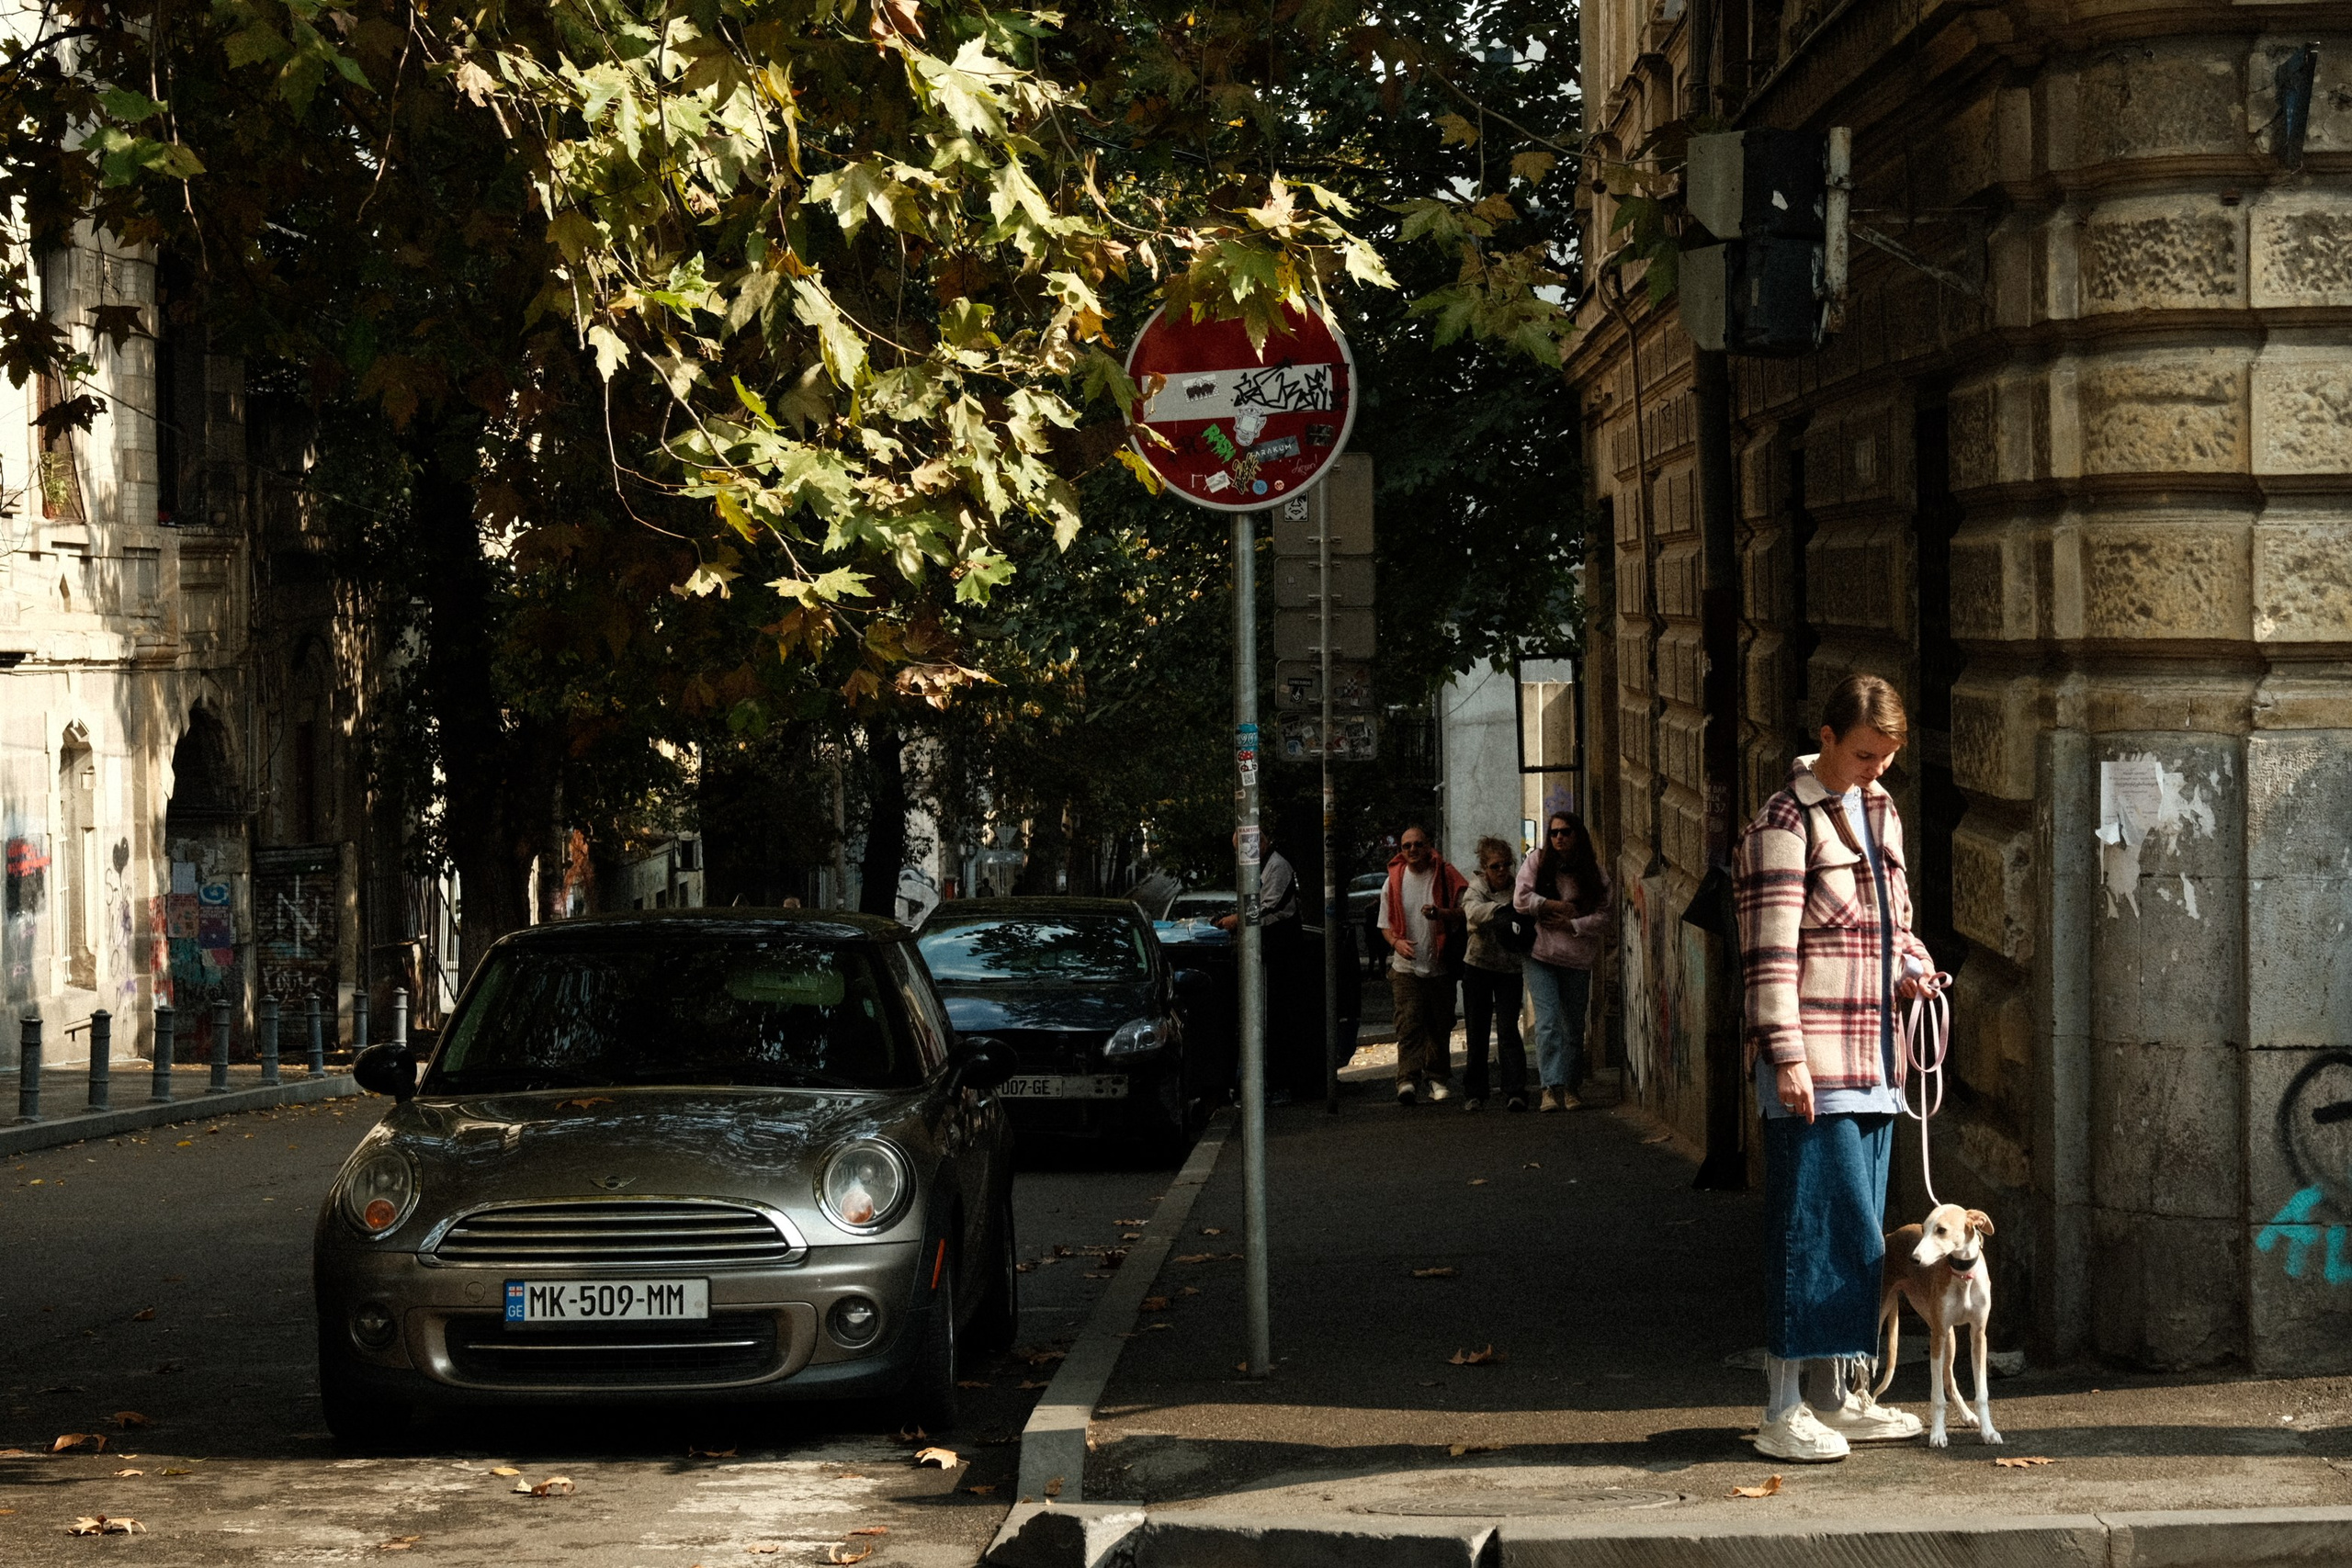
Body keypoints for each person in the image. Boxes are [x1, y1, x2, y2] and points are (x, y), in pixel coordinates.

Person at [1733, 672, 1940, 1462]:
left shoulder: (1880, 810)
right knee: (1809, 1231)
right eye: (1864, 753)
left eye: (1887, 757)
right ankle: (1782, 1408)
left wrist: (1915, 967)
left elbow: (1897, 924)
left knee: (1856, 1235)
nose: (1876, 770)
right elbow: (1767, 954)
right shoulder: (1782, 823)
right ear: (1825, 737)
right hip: (1814, 1063)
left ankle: (1837, 1396)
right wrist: (1785, 1056)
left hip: (1877, 1056)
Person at [1513, 811, 1610, 1111]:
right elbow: (1520, 899)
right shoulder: (1538, 863)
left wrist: (1574, 925)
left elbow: (1606, 917)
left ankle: (1571, 1087)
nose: (1559, 838)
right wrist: (1554, 905)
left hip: (1577, 958)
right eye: (1554, 832)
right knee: (1548, 1021)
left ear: (1577, 834)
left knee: (1572, 1025)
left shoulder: (1594, 872)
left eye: (1566, 832)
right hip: (1540, 954)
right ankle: (1549, 1088)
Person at [1216, 829, 1313, 1100]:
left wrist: (1238, 920)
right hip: (1269, 951)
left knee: (1273, 1021)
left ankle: (1275, 1084)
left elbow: (1270, 907)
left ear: (1261, 842)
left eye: (1243, 848)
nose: (1242, 855)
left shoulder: (1277, 866)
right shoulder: (1262, 867)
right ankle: (1267, 1082)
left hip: (1279, 952)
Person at [1378, 823, 1465, 1106]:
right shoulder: (1392, 881)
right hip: (1405, 968)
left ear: (1429, 846)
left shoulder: (1446, 875)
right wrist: (1396, 944)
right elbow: (1385, 926)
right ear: (1400, 851)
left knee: (1440, 1023)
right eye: (1406, 846)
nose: (1412, 850)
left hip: (1440, 964)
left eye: (1418, 844)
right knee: (1408, 1023)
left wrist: (1440, 913)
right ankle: (1406, 1081)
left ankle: (1437, 1078)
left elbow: (1466, 912)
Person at [1456, 836, 1528, 1112]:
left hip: (1509, 968)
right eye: (1495, 866)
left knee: (1509, 1029)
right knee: (1478, 1030)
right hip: (1478, 966)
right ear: (1484, 868)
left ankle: (1515, 1091)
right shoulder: (1476, 888)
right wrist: (1503, 913)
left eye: (1506, 865)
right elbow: (1472, 914)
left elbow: (1526, 913)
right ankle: (1475, 1092)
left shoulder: (1517, 888)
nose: (1501, 871)